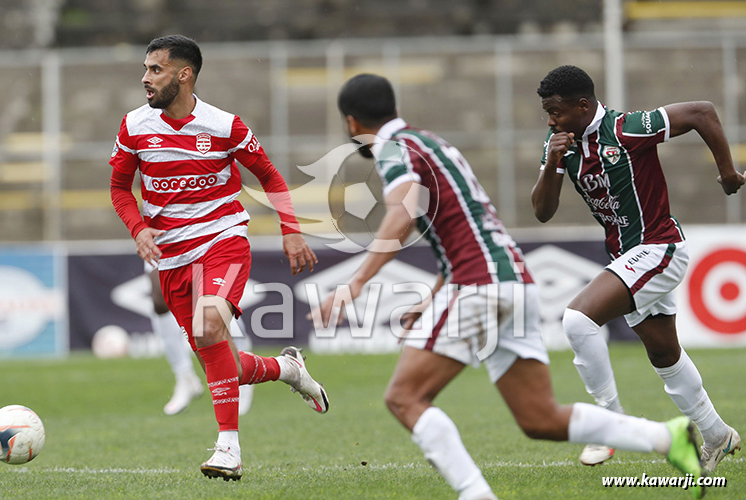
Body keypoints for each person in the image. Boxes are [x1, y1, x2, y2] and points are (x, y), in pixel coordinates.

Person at [315, 73, 707, 500]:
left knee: (404, 398)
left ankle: (476, 495)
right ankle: (666, 437)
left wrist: (355, 283)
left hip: (479, 287)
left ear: (351, 123)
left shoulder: (394, 149)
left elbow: (402, 211)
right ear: (394, 107)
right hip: (514, 282)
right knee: (539, 418)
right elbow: (470, 228)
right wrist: (431, 298)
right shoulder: (432, 145)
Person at [109, 34, 329, 482]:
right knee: (221, 361)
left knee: (210, 327)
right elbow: (119, 188)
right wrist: (138, 228)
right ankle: (287, 369)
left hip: (222, 240)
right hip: (170, 257)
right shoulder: (134, 126)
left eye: (155, 69)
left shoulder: (224, 126)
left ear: (184, 74)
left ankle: (228, 448)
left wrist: (291, 232)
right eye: (146, 69)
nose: (145, 78)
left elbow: (271, 177)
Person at [532, 65, 744, 471]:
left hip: (659, 247)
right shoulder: (560, 145)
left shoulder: (627, 128)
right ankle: (717, 434)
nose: (550, 121)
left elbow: (702, 112)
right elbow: (543, 211)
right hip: (627, 258)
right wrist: (553, 161)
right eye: (547, 113)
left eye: (555, 112)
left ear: (583, 106)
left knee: (577, 320)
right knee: (664, 353)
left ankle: (608, 425)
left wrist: (727, 172)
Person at [146, 263, 253, 416]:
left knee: (213, 299)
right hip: (162, 247)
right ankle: (185, 376)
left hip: (201, 248)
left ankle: (242, 367)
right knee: (159, 298)